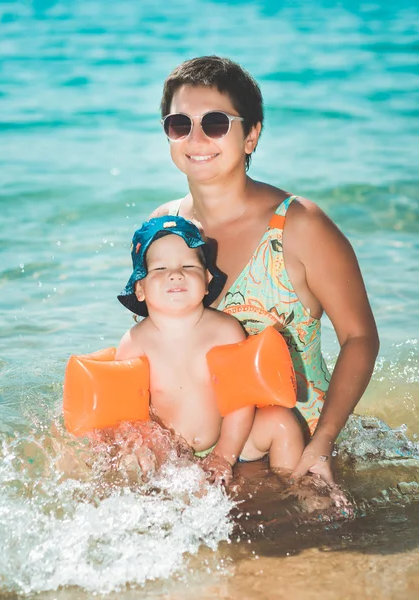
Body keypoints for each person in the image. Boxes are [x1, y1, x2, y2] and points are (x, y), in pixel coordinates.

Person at [150, 56, 380, 485]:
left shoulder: (301, 226)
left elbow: (359, 337)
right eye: (180, 124)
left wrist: (323, 441)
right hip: (204, 459)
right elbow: (155, 345)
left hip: (292, 455)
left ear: (251, 135)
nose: (196, 138)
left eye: (215, 123)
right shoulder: (163, 229)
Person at [115, 215, 305, 485]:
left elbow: (241, 402)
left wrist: (223, 455)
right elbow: (127, 414)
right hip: (167, 454)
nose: (175, 274)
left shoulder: (224, 332)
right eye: (159, 269)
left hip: (228, 439)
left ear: (206, 280)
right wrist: (145, 448)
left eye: (188, 265)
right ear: (140, 288)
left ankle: (294, 489)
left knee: (282, 422)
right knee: (129, 452)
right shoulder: (135, 343)